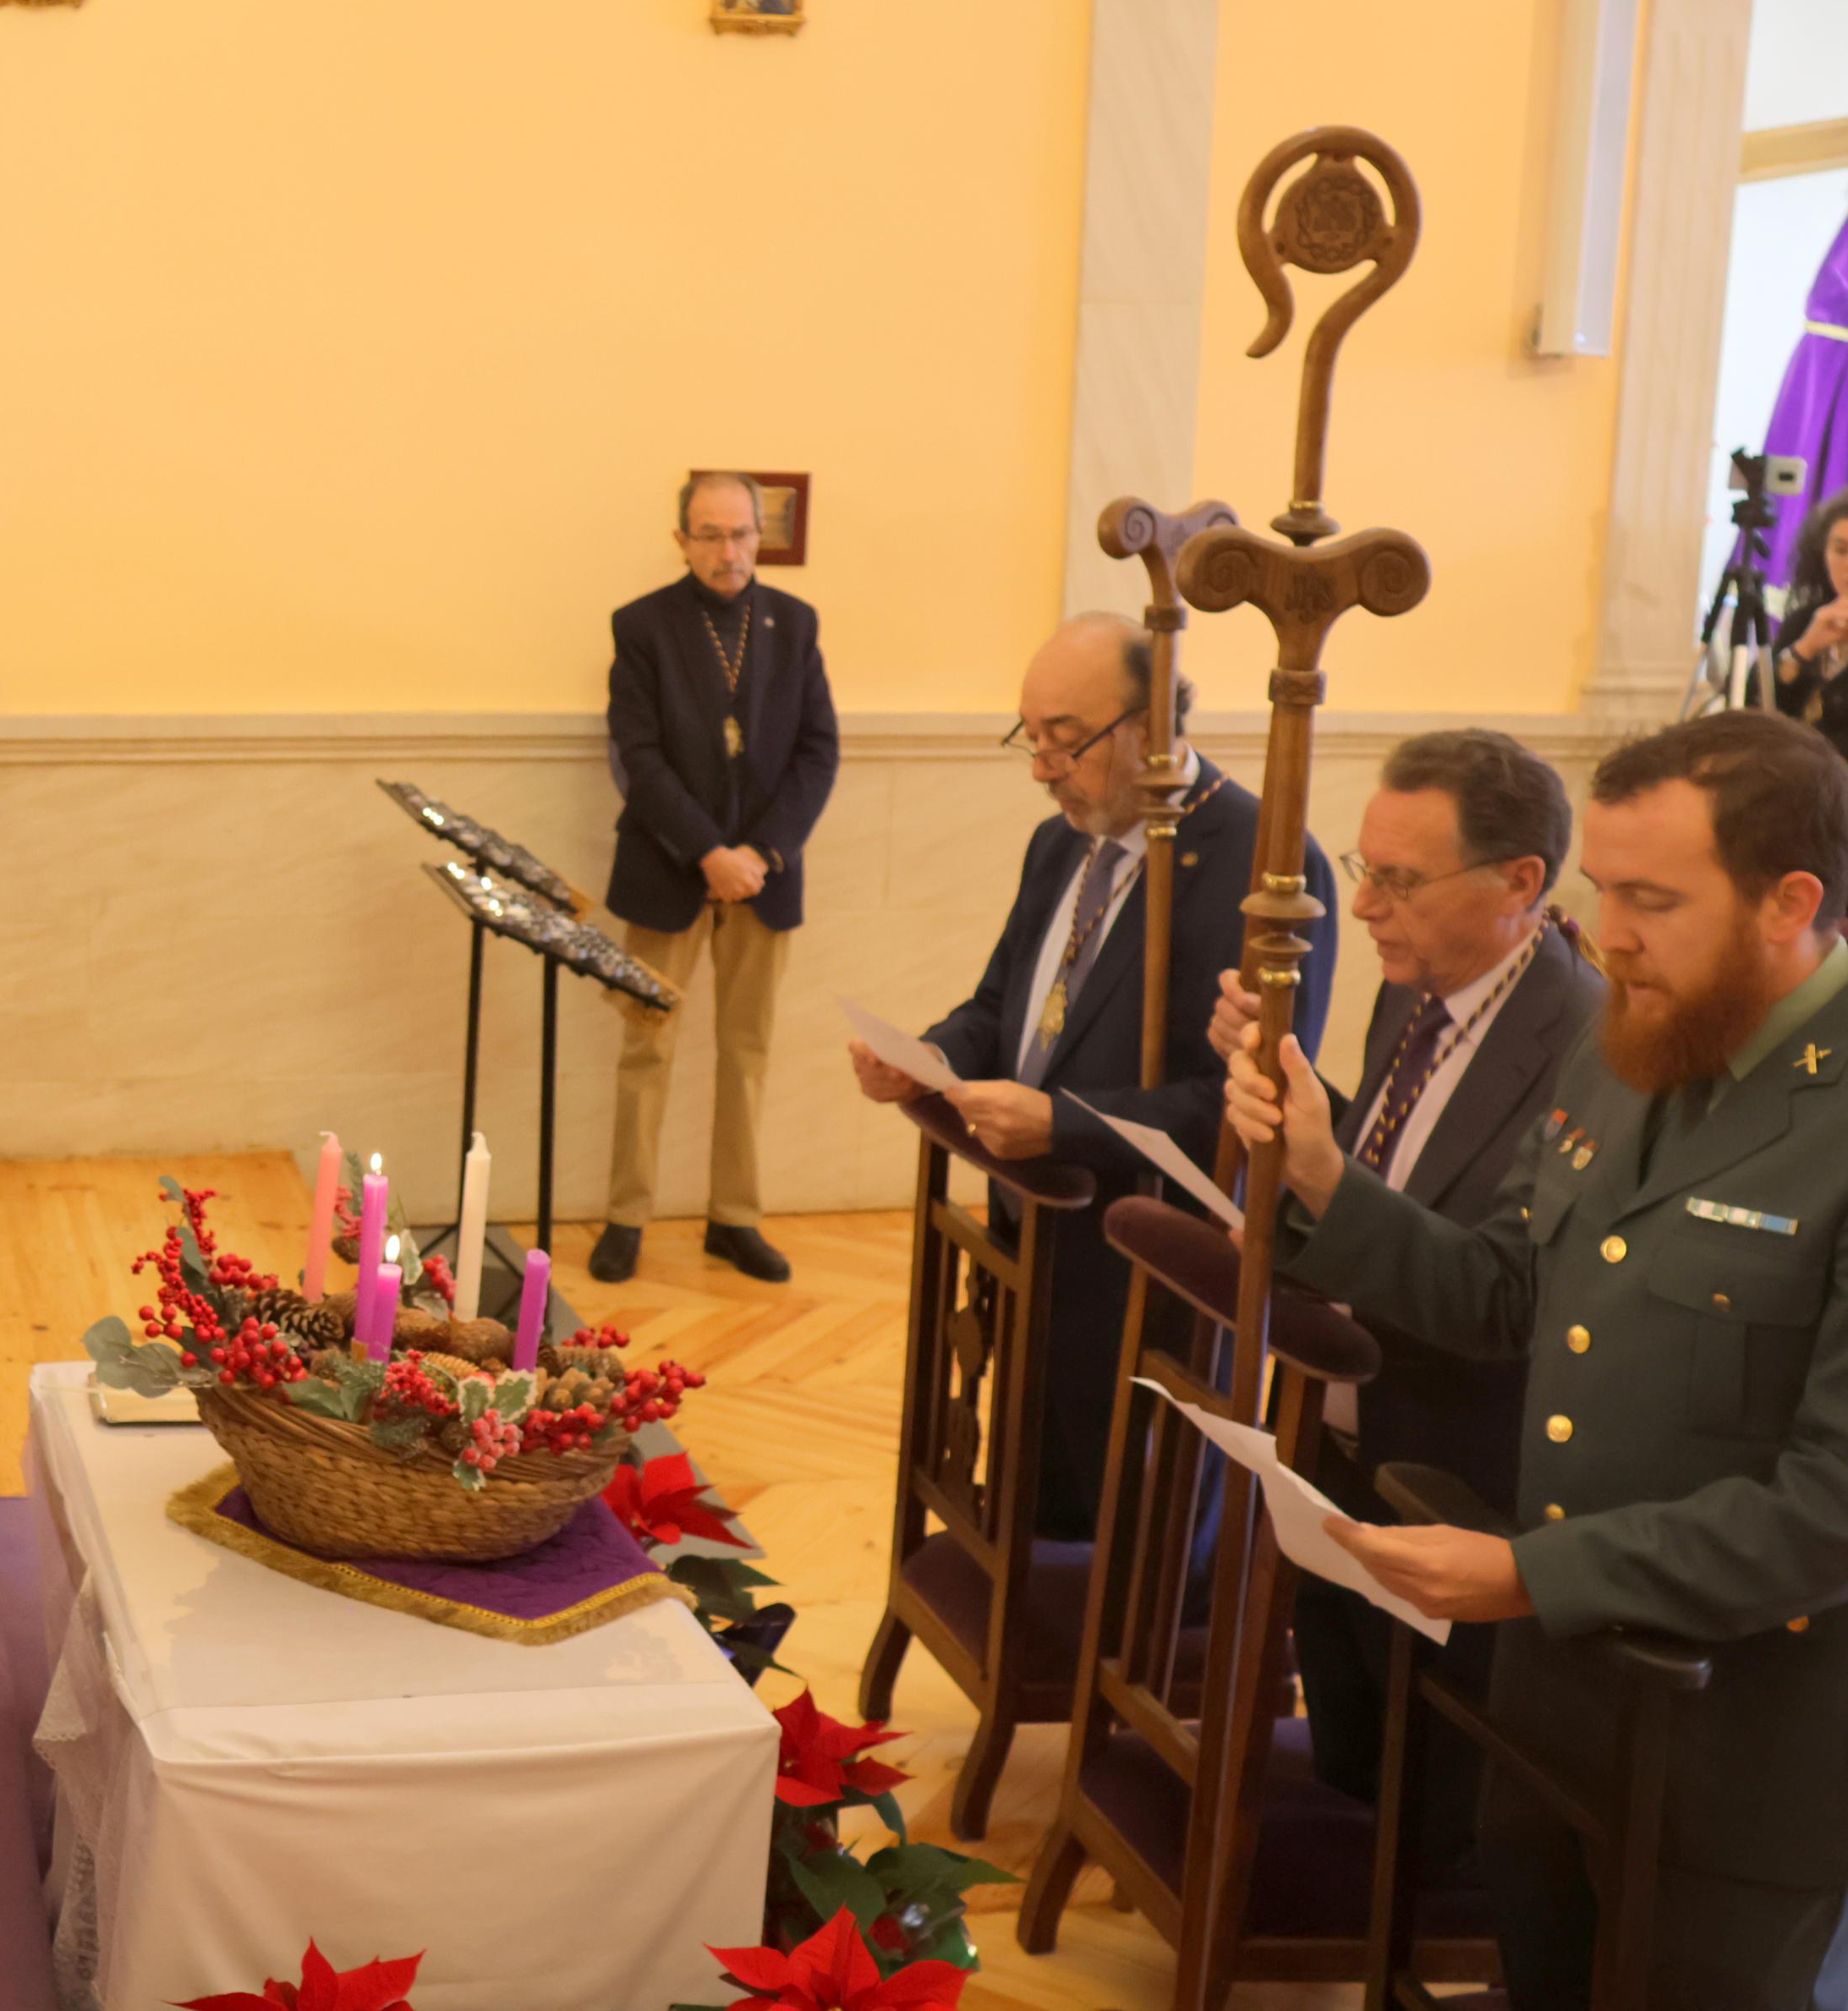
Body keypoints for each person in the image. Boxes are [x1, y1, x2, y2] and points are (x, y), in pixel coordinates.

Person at [1227, 710, 1848, 2011]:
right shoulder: (1631, 1041)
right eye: (1600, 892)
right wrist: (1321, 1176)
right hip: (1555, 1707)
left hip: (1739, 1747)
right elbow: (1508, 1290)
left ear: (1788, 899)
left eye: (1650, 898)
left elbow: (1827, 1508)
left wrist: (1526, 1568)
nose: (1605, 932)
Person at [1203, 729, 1600, 1891]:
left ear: (1517, 884)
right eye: (1359, 864)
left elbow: (1493, 1290)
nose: (1358, 903)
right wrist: (1288, 1091)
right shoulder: (1414, 993)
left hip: (1451, 1473)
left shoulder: (1583, 1043)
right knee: (1349, 1756)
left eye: (1397, 879)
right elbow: (1394, 1180)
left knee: (1433, 1826)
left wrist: (1319, 1173)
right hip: (1339, 1435)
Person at [846, 613, 1334, 1540]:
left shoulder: (1260, 862)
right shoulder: (1058, 842)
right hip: (1030, 1244)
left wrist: (1062, 1125)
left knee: (1130, 1535)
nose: (1041, 769)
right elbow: (1001, 1007)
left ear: (1148, 725)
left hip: (1147, 1271)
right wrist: (924, 1059)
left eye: (1063, 743)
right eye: (1028, 741)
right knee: (1032, 1512)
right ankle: (1030, 1673)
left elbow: (1244, 1105)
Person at [593, 470, 840, 1285]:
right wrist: (707, 851)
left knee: (747, 1051)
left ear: (757, 538)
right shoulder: (642, 627)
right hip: (670, 869)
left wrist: (761, 854)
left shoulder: (794, 625)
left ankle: (733, 1218)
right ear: (681, 540)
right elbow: (639, 757)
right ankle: (627, 1215)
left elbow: (816, 753)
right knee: (645, 1047)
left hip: (764, 879)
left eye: (739, 533)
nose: (727, 550)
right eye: (709, 533)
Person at [1772, 490, 1848, 759]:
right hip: (1796, 776)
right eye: (1840, 550)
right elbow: (1760, 707)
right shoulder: (1806, 618)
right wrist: (1805, 648)